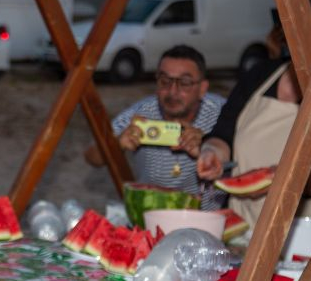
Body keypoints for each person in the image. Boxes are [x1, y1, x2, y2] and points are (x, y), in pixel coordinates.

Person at [198, 0, 311, 230]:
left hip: (306, 233)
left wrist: (303, 180)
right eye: (304, 37)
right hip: (240, 226)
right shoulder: (260, 75)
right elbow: (224, 132)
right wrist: (213, 152)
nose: (308, 50)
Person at [85, 45, 226, 210]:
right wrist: (118, 144)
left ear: (202, 89)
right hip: (151, 214)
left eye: (185, 83)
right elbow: (92, 157)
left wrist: (208, 145)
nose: (172, 91)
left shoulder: (223, 113)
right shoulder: (142, 114)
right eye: (165, 81)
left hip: (208, 218)